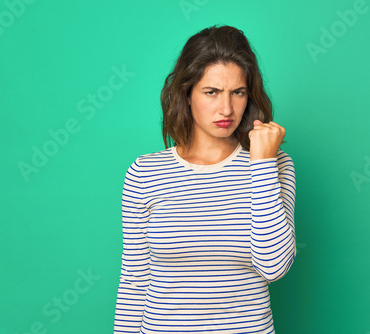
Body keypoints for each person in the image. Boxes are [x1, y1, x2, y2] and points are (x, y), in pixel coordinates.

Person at [114, 25, 296, 334]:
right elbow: (134, 282)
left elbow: (274, 266)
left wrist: (262, 163)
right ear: (186, 94)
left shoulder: (275, 165)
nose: (226, 109)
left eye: (237, 92)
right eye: (211, 92)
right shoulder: (145, 173)